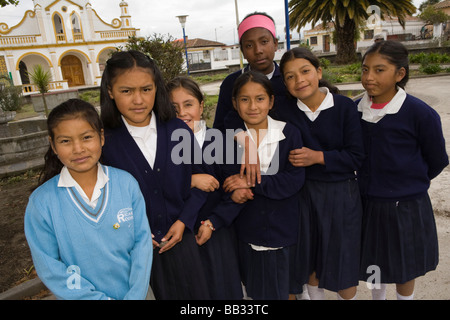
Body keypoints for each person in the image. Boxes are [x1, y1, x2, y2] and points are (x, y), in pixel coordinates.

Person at [100, 50, 210, 300]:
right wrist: (130, 230)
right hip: (133, 253)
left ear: (156, 89)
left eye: (146, 89)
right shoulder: (103, 141)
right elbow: (103, 198)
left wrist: (184, 221)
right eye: (126, 91)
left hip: (183, 242)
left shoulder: (178, 130)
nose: (138, 100)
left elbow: (200, 183)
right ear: (110, 91)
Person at [24, 99, 152, 300]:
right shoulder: (42, 203)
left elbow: (142, 245)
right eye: (65, 141)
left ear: (101, 137)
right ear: (53, 145)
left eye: (86, 137)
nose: (78, 149)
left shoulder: (126, 184)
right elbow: (50, 267)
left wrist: (135, 295)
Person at [356, 40, 449, 300]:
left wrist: (407, 184)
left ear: (400, 74)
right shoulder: (354, 110)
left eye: (379, 70)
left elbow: (437, 159)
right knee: (373, 262)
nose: (369, 77)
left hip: (406, 206)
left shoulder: (420, 113)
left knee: (404, 265)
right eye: (365, 69)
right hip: (367, 203)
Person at [278, 47, 365, 300]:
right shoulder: (284, 112)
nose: (299, 80)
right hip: (304, 196)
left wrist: (318, 157)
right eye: (290, 76)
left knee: (343, 265)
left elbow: (356, 156)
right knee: (311, 261)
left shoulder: (344, 107)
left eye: (305, 71)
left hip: (342, 196)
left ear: (318, 71)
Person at [222, 70, 305, 300]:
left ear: (271, 101)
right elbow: (230, 180)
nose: (253, 106)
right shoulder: (230, 139)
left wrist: (250, 183)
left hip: (284, 231)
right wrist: (238, 188)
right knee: (255, 290)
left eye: (260, 98)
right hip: (248, 231)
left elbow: (293, 180)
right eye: (244, 99)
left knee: (286, 290)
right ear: (235, 104)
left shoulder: (289, 134)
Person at [166, 76, 243, 299]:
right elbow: (157, 186)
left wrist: (213, 222)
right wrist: (189, 180)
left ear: (201, 105)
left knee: (222, 290)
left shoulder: (221, 141)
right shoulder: (163, 146)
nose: (182, 112)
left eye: (188, 104)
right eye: (174, 107)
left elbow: (235, 191)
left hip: (218, 230)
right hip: (180, 231)